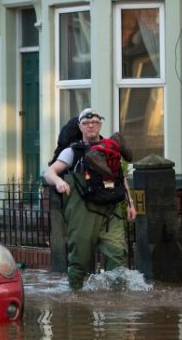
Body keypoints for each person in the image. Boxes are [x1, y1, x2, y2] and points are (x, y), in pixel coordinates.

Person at [43, 108, 137, 290]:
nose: (91, 126)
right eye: (86, 123)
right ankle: (75, 296)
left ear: (100, 124)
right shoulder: (73, 151)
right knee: (79, 258)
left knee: (117, 255)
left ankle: (117, 301)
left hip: (111, 210)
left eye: (95, 122)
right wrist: (58, 182)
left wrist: (130, 204)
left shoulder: (111, 148)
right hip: (83, 211)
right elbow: (49, 172)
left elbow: (120, 177)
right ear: (80, 126)